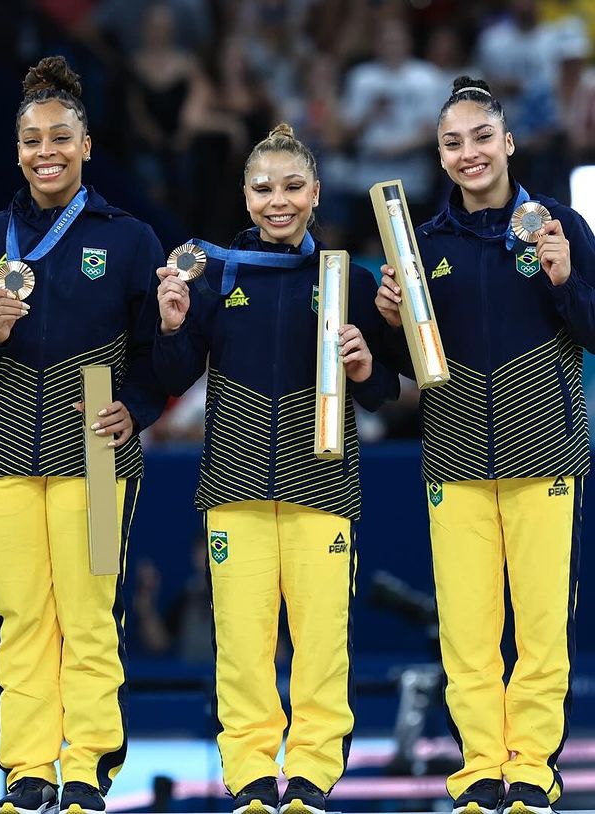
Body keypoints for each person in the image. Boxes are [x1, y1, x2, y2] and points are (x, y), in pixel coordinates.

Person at [0, 56, 168, 814]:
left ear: (87, 145)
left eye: (61, 138)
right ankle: (29, 766)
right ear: (16, 150)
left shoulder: (130, 238)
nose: (47, 151)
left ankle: (88, 764)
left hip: (97, 452)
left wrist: (134, 407)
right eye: (32, 139)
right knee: (22, 615)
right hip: (3, 448)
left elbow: (160, 353)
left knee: (89, 610)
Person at [153, 123, 398, 814]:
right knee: (242, 648)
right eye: (264, 189)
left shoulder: (348, 280)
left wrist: (366, 363)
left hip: (322, 488)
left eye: (293, 187)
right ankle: (253, 777)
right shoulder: (220, 275)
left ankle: (314, 777)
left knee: (322, 646)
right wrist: (172, 325)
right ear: (245, 194)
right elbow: (174, 375)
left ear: (316, 194)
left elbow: (382, 395)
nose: (278, 200)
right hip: (235, 489)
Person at [375, 76, 595, 814]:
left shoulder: (556, 224)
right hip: (457, 460)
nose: (468, 153)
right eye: (451, 142)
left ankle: (530, 766)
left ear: (506, 141)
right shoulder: (421, 246)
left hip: (546, 456)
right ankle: (478, 768)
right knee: (468, 632)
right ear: (439, 157)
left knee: (540, 629)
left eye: (479, 137)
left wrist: (565, 279)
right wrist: (391, 322)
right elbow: (409, 366)